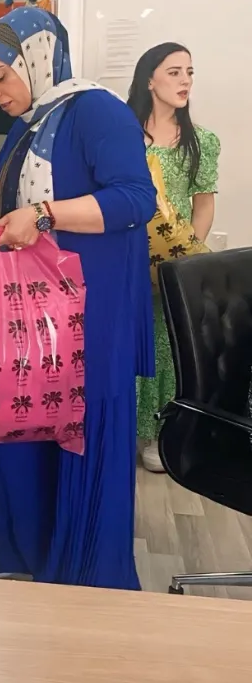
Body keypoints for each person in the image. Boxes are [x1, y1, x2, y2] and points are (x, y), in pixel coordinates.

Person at [0, 8, 156, 589]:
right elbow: (3, 200)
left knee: (76, 435)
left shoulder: (96, 111)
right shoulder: (32, 120)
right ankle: (26, 555)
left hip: (89, 310)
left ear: (38, 58)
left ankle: (84, 576)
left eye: (0, 76)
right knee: (20, 425)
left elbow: (135, 199)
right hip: (34, 313)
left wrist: (45, 215)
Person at [127, 43, 220, 473]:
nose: (185, 81)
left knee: (167, 344)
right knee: (130, 339)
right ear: (150, 80)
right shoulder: (124, 134)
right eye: (174, 72)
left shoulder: (201, 141)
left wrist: (187, 259)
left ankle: (159, 434)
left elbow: (203, 204)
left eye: (190, 72)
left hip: (174, 261)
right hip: (128, 256)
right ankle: (125, 427)